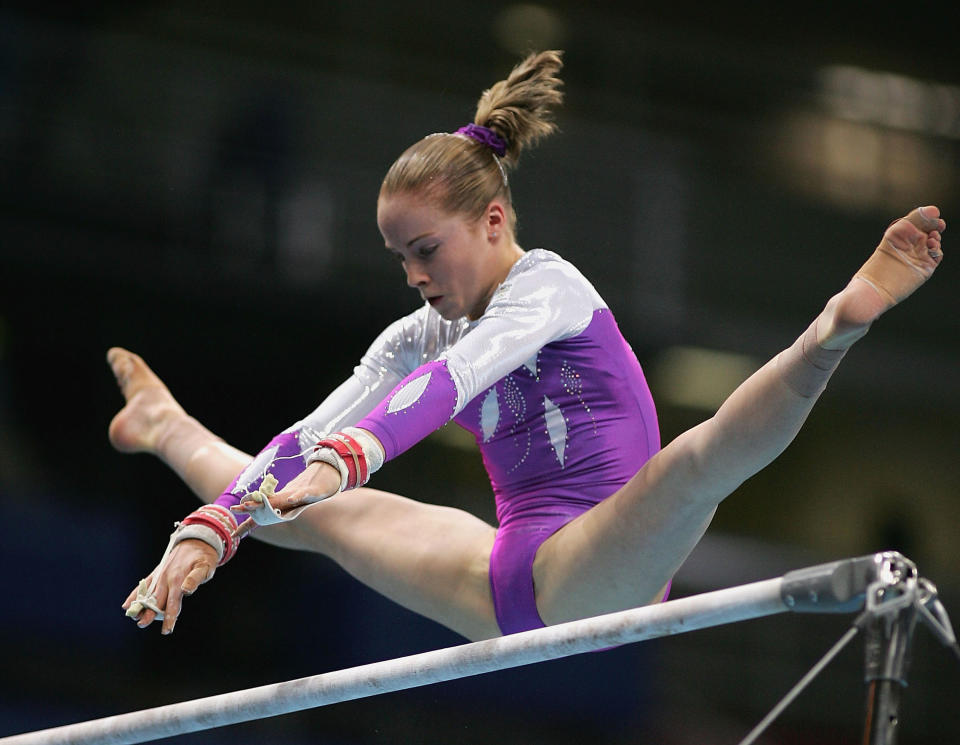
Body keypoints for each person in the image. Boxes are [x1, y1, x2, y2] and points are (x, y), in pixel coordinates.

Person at [109, 50, 946, 642]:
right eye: (399, 257)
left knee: (696, 464)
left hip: (604, 562)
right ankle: (163, 423)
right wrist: (210, 531)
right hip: (501, 581)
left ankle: (838, 323)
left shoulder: (548, 289)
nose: (414, 276)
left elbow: (457, 376)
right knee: (310, 515)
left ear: (494, 221)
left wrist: (350, 456)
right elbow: (305, 436)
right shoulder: (418, 330)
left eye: (426, 250)